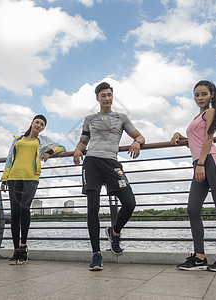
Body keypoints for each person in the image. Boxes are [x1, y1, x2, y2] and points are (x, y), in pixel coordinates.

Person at [73, 82, 145, 271]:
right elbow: (83, 140)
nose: (107, 98)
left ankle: (115, 232)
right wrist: (78, 150)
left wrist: (137, 142)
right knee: (93, 209)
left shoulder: (121, 117)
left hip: (112, 163)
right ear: (97, 98)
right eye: (103, 95)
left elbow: (140, 136)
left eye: (109, 95)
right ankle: (96, 254)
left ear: (113, 97)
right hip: (92, 163)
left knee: (129, 202)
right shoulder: (89, 118)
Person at [170, 80, 216, 272]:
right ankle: (199, 257)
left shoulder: (210, 112)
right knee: (192, 209)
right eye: (197, 95)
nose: (200, 98)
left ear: (212, 95)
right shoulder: (196, 117)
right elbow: (196, 141)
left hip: (211, 163)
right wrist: (180, 137)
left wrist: (200, 164)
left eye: (204, 94)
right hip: (199, 164)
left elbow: (208, 138)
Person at [1, 114, 65, 265]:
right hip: (14, 177)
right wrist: (4, 178)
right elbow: (9, 158)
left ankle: (23, 247)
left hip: (31, 177)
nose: (39, 125)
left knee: (24, 208)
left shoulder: (42, 141)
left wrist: (49, 152)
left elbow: (62, 147)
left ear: (43, 128)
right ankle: (16, 250)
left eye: (42, 124)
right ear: (32, 123)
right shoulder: (17, 140)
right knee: (15, 213)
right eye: (37, 122)